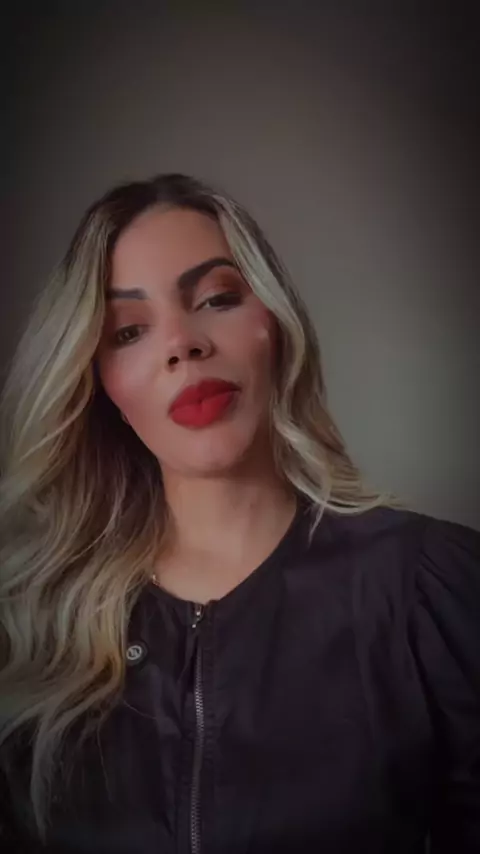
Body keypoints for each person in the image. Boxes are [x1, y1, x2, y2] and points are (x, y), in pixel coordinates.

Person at [0, 173, 479, 854]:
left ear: (273, 325)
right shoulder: (28, 621)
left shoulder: (430, 588)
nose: (182, 344)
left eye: (217, 298)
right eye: (129, 331)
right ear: (100, 385)